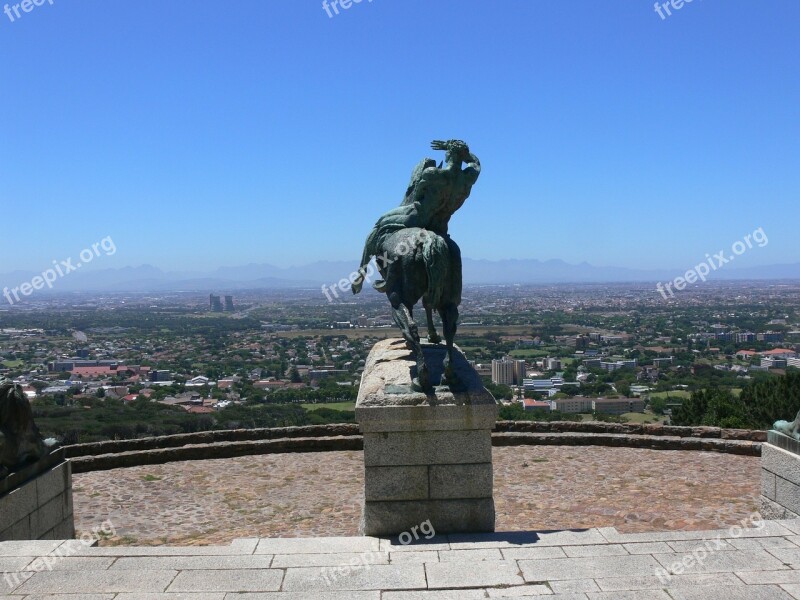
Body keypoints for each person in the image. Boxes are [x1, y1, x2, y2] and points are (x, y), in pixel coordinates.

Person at [352, 139, 481, 293]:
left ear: (449, 154)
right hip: (440, 225)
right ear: (463, 155)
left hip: (417, 217)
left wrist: (450, 148)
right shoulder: (467, 178)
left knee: (379, 224)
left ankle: (361, 275)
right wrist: (462, 152)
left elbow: (416, 197)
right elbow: (475, 162)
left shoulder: (433, 173)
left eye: (448, 151)